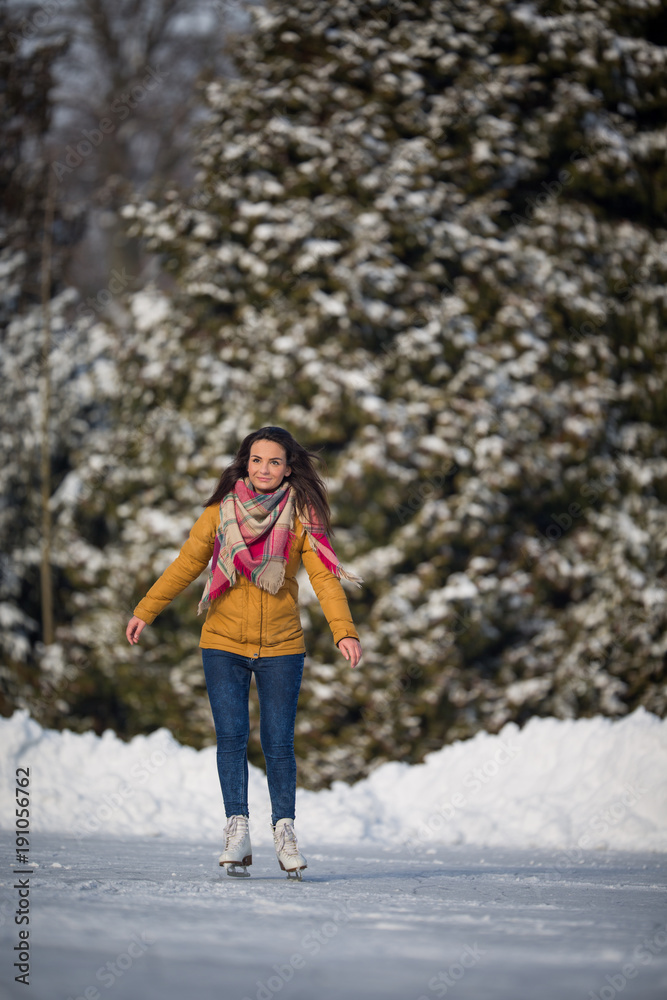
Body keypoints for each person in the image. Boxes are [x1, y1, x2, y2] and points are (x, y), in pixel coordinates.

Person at [126, 426, 362, 879]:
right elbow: (186, 565)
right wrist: (145, 611)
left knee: (278, 743)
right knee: (231, 738)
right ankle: (237, 828)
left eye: (275, 462)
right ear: (245, 462)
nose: (265, 469)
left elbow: (326, 578)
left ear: (289, 467)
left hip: (282, 646)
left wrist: (344, 632)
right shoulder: (219, 513)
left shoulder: (301, 517)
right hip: (222, 643)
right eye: (257, 460)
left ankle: (285, 833)